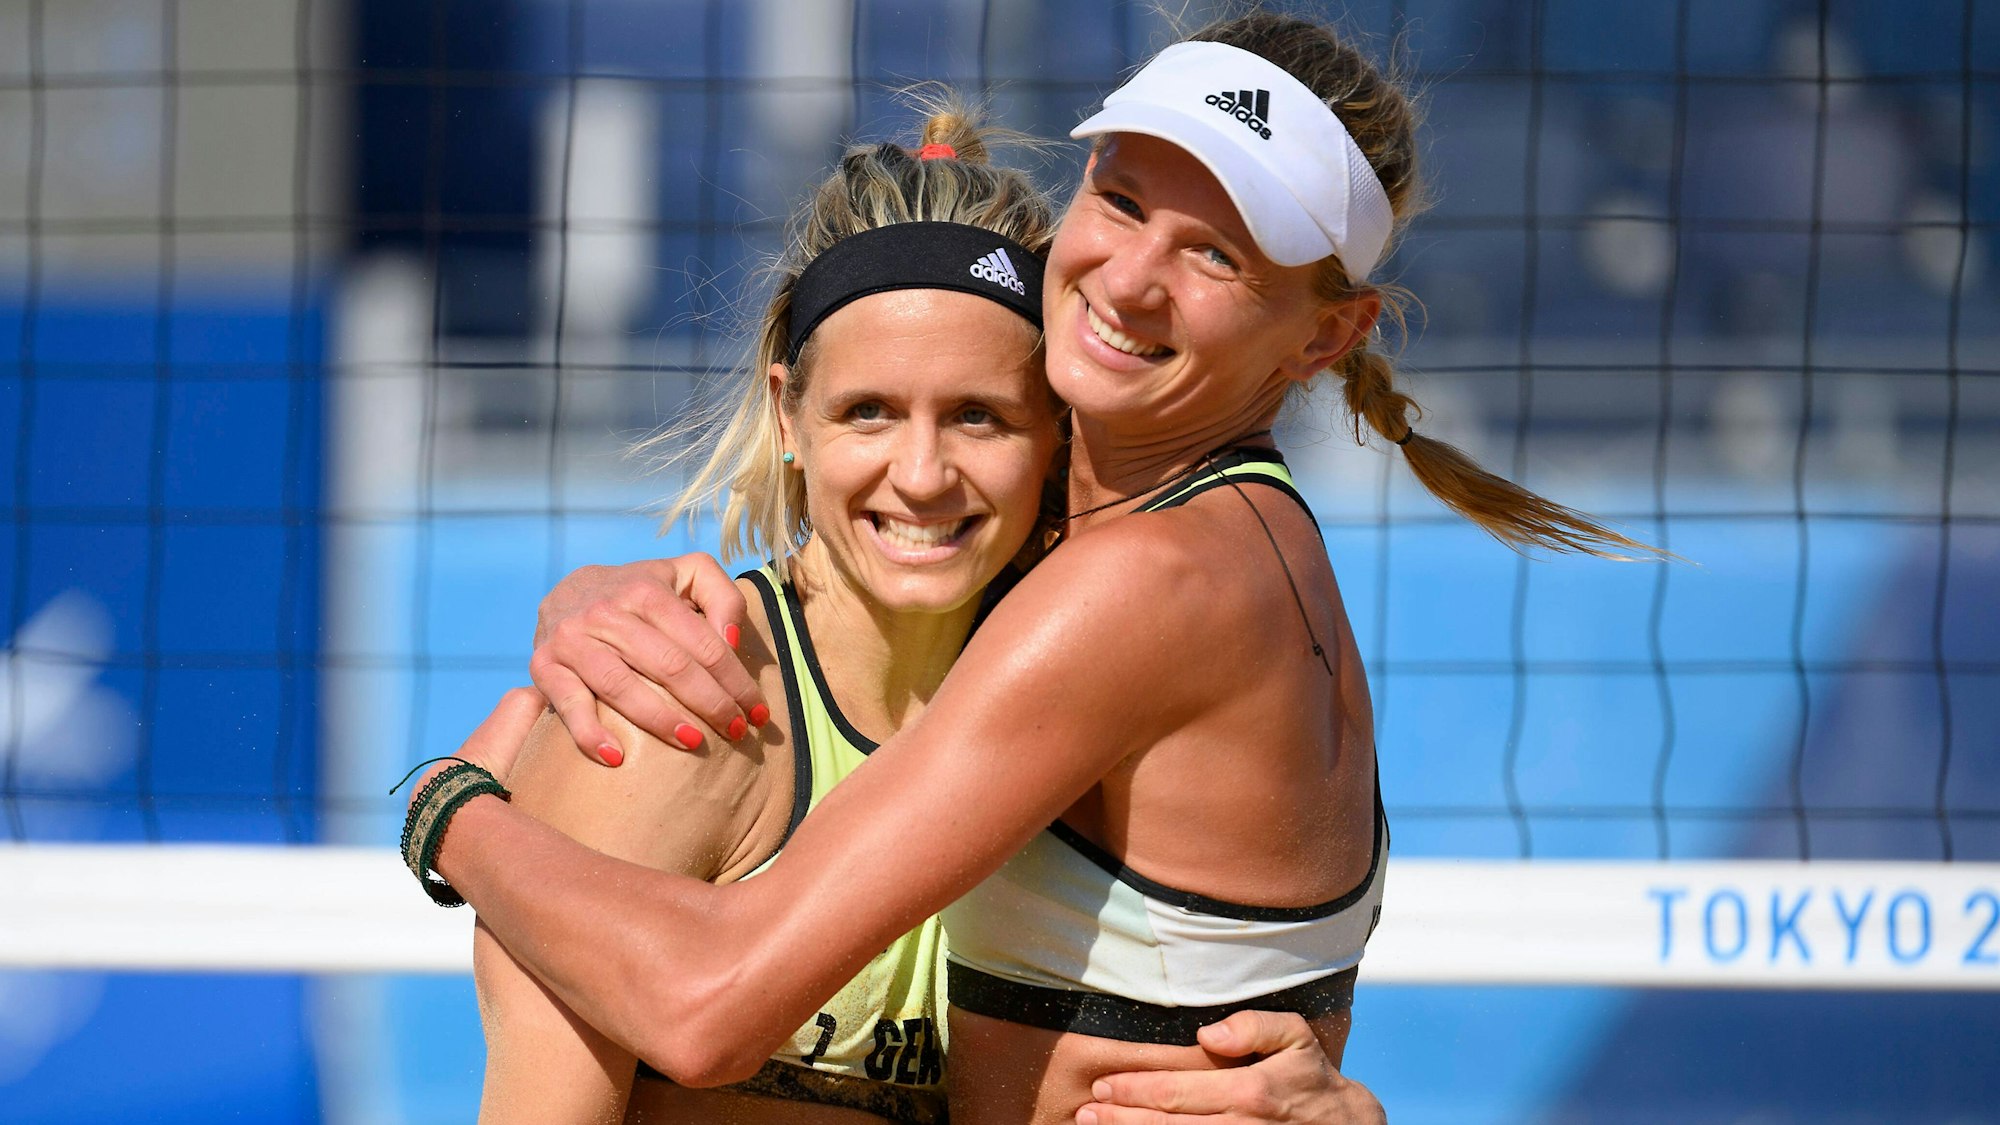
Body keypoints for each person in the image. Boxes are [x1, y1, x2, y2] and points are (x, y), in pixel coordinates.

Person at [419, 12, 1649, 1123]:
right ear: (787, 414)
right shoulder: (1161, 546)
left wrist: (450, 813)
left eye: (1218, 256)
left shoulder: (1144, 584)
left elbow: (708, 1003)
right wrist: (594, 596)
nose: (1127, 278)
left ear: (1327, 333)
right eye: (1118, 202)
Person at [470, 98, 1382, 1125]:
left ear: (1054, 431)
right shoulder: (660, 699)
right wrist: (451, 809)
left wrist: (1332, 1113)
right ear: (787, 416)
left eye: (977, 416)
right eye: (867, 411)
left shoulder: (1094, 685)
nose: (920, 474)